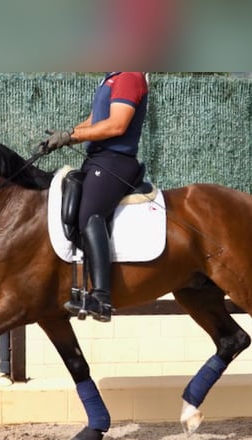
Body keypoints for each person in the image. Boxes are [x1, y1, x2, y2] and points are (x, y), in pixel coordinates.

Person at [41, 72, 149, 322]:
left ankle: (101, 297)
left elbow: (116, 125)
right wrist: (64, 135)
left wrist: (74, 136)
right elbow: (94, 120)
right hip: (97, 160)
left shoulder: (129, 77)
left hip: (115, 161)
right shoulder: (111, 77)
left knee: (90, 215)